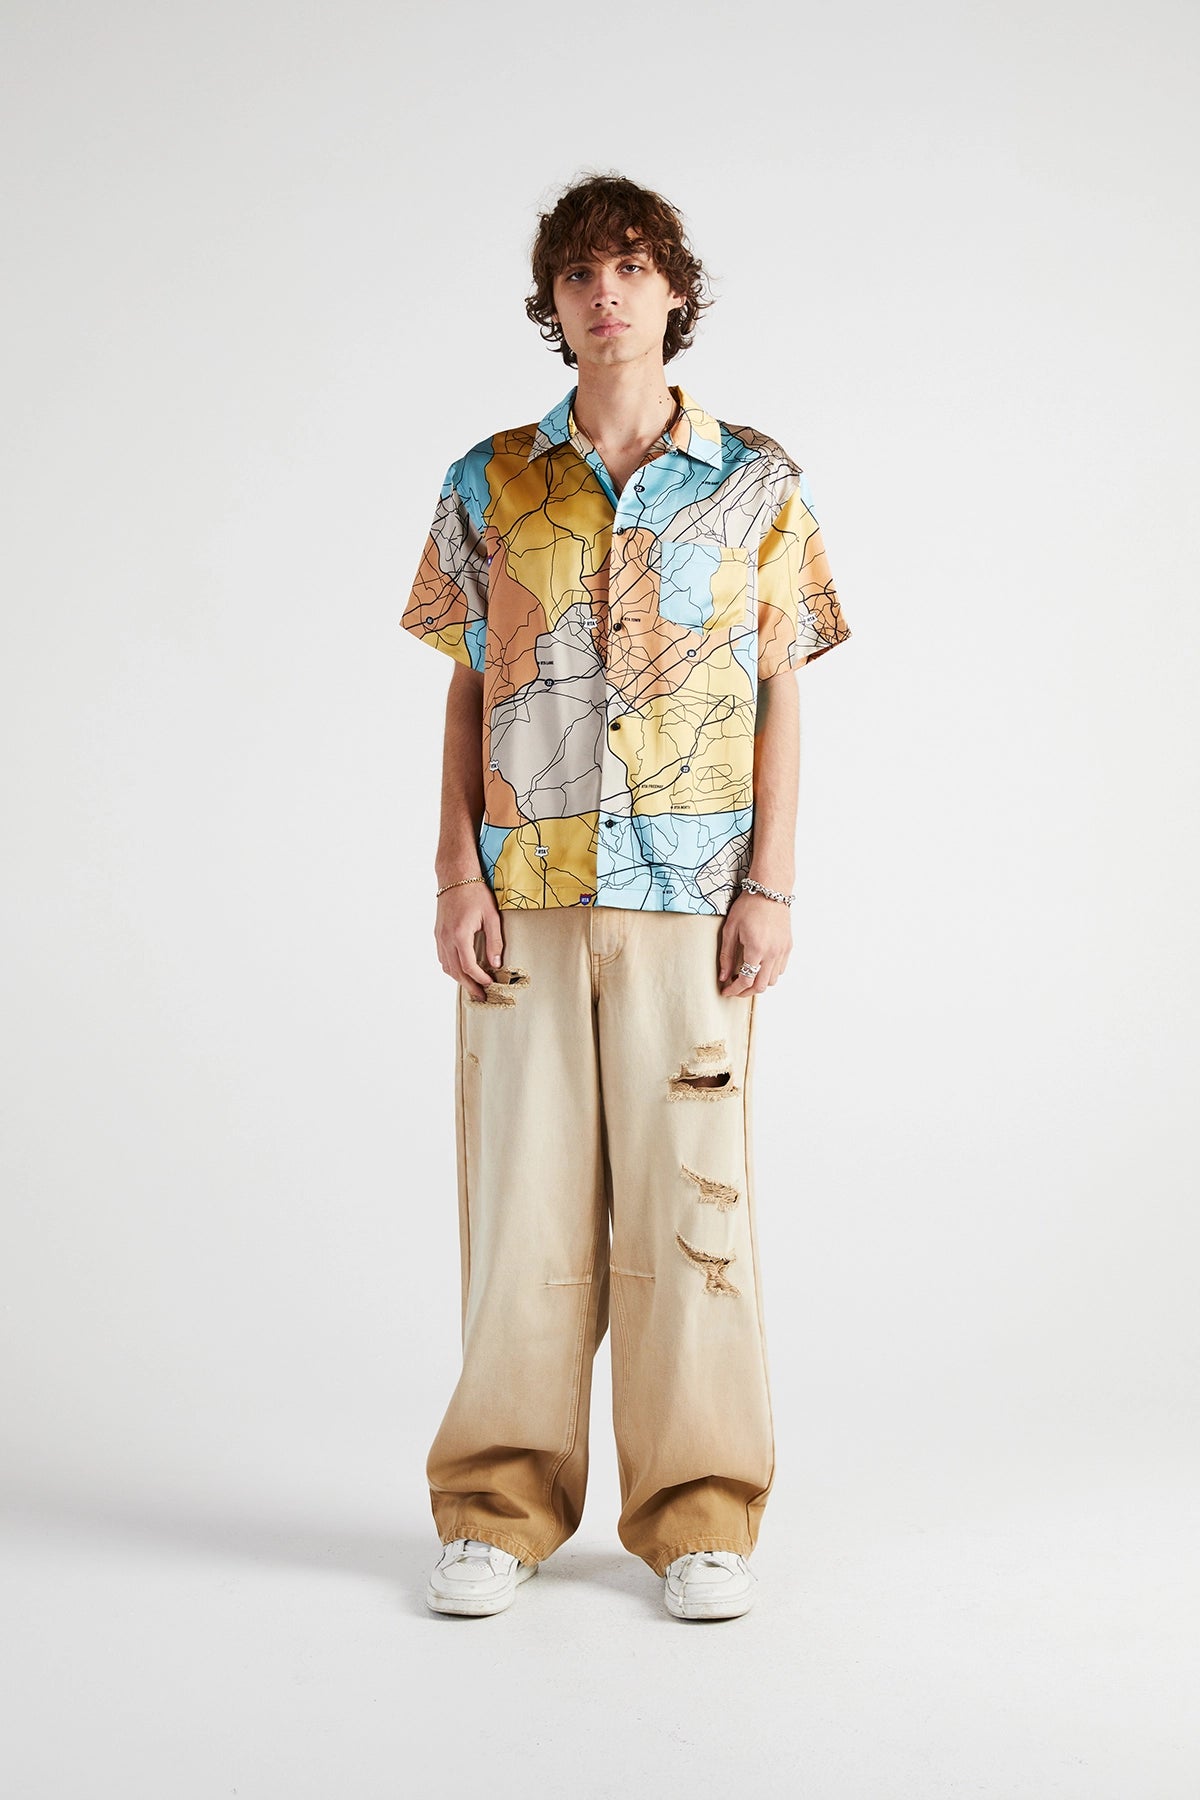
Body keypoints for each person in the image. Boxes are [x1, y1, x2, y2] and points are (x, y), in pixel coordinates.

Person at [399, 171, 851, 1621]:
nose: (607, 295)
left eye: (634, 268)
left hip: (693, 901)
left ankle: (700, 1512)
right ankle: (498, 1506)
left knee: (694, 1212)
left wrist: (772, 885)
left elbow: (783, 695)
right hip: (525, 893)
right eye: (581, 274)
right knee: (520, 1213)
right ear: (553, 302)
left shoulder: (759, 482)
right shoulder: (488, 480)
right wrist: (455, 871)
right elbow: (468, 690)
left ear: (674, 293)